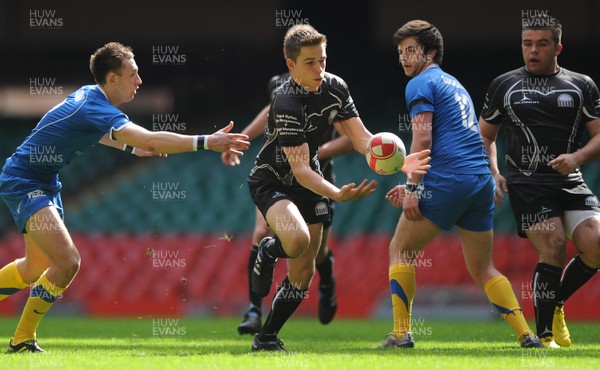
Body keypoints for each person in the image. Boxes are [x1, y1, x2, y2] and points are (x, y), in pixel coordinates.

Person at [0, 42, 249, 353]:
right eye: (133, 73)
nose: (139, 80)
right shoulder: (94, 104)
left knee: (34, 268)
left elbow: (97, 132)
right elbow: (151, 139)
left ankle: (22, 339)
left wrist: (131, 148)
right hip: (24, 181)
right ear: (113, 79)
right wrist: (207, 141)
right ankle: (23, 339)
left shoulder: (92, 98)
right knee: (68, 262)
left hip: (45, 182)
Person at [246, 24, 431, 352]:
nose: (320, 69)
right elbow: (299, 169)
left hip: (309, 181)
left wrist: (399, 163)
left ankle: (267, 337)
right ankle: (269, 250)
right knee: (298, 240)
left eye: (323, 60)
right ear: (291, 65)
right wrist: (336, 193)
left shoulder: (335, 88)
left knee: (303, 273)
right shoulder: (287, 101)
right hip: (273, 180)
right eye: (310, 63)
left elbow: (361, 138)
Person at [378, 20, 541, 349]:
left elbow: (423, 136)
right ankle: (526, 334)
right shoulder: (455, 84)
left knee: (401, 250)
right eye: (400, 52)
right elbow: (474, 137)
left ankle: (400, 335)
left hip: (450, 180)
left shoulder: (420, 84)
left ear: (431, 52)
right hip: (478, 183)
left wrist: (413, 189)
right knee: (483, 268)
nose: (405, 58)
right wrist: (489, 175)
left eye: (411, 50)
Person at [479, 15, 600, 348]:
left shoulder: (582, 85)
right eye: (527, 43)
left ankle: (556, 301)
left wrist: (576, 158)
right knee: (554, 247)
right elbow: (485, 136)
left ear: (558, 47)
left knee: (597, 244)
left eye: (541, 44)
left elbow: (598, 136)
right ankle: (545, 336)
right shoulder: (504, 85)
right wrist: (493, 173)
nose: (532, 51)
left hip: (570, 178)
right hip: (527, 183)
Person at [222, 72, 354, 335]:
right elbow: (267, 113)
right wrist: (241, 139)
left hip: (318, 178)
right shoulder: (280, 88)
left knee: (315, 253)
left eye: (320, 59)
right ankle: (254, 311)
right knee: (261, 233)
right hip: (278, 176)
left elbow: (351, 138)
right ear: (289, 55)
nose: (317, 65)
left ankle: (326, 282)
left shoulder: (328, 90)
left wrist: (311, 153)